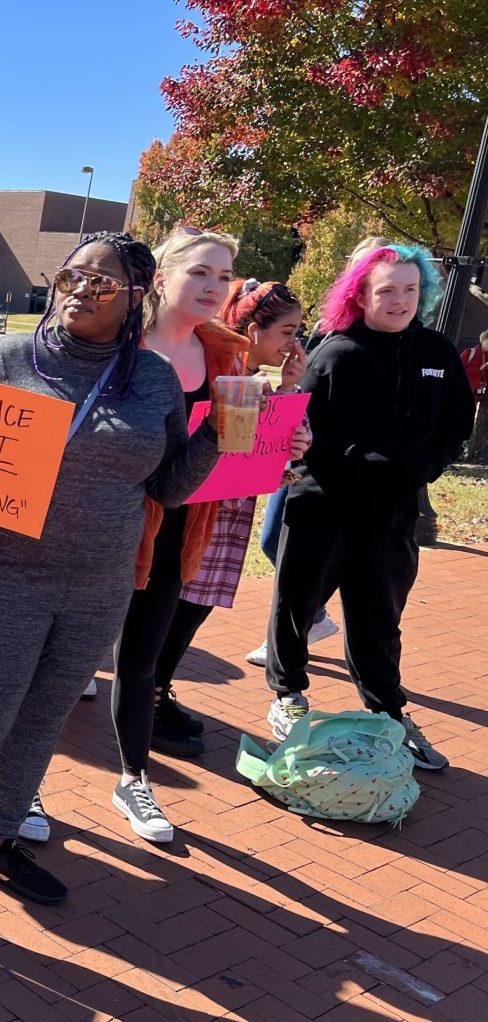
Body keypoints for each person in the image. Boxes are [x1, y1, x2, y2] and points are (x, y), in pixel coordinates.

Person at [0, 232, 221, 951]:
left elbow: (168, 485)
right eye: (73, 275)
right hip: (10, 578)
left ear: (138, 297)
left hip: (100, 588)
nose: (80, 290)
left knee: (44, 720)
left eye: (102, 283)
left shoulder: (155, 381)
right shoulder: (10, 359)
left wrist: (221, 432)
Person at [265, 244, 474, 769]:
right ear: (361, 294)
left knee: (380, 619)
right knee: (297, 605)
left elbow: (455, 428)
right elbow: (300, 426)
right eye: (386, 290)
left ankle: (388, 713)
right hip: (323, 507)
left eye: (410, 288)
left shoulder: (437, 353)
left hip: (394, 516)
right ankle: (287, 695)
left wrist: (423, 468)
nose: (400, 299)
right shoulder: (335, 351)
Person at [107, 228, 250, 844]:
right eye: (201, 273)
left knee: (140, 663)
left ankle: (133, 777)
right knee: (57, 667)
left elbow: (237, 448)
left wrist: (286, 445)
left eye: (224, 277)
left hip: (177, 530)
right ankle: (25, 783)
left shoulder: (225, 356)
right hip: (98, 525)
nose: (215, 288)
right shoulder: (114, 342)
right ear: (161, 276)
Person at [143, 279, 311, 758]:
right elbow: (210, 436)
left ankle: (159, 690)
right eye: (285, 331)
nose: (293, 343)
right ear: (253, 331)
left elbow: (279, 447)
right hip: (198, 511)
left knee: (194, 609)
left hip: (231, 513)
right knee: (172, 610)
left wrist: (291, 399)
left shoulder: (268, 380)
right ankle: (148, 699)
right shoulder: (223, 370)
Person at [246, 236, 395, 665]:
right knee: (273, 540)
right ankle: (311, 618)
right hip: (296, 458)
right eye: (363, 269)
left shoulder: (389, 343)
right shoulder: (329, 329)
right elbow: (300, 391)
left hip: (332, 470)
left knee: (303, 548)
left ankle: (304, 623)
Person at [461, 328, 488, 397]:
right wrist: (479, 369)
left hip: (482, 395)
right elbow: (458, 371)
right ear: (483, 339)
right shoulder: (469, 352)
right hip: (465, 391)